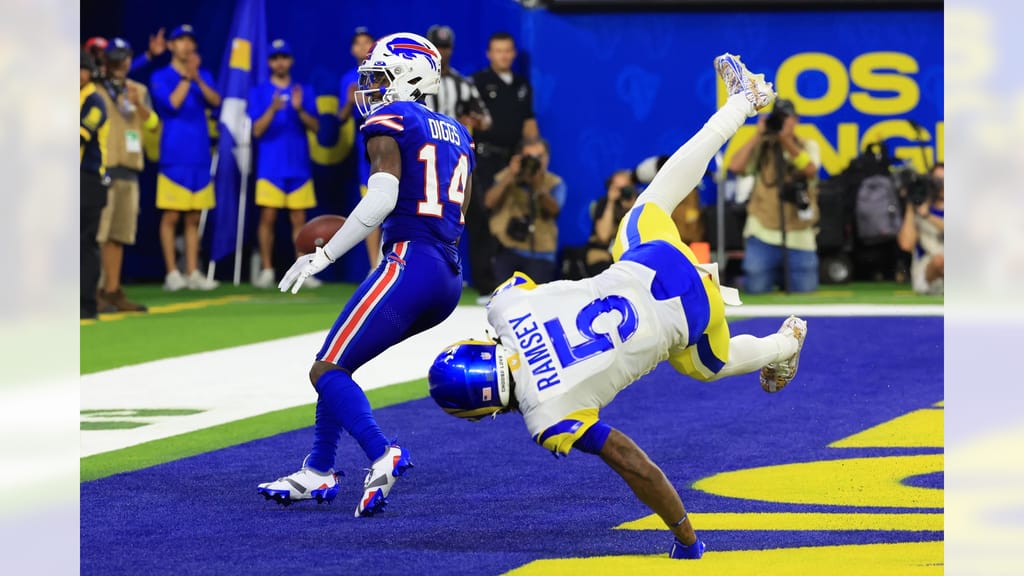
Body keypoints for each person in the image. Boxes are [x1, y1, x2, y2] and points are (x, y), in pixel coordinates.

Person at [427, 55, 808, 560]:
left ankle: (784, 345)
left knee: (707, 365)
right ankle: (741, 102)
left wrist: (686, 536)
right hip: (654, 258)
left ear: (483, 411)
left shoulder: (549, 419)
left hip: (695, 314)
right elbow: (520, 289)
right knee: (651, 204)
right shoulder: (506, 308)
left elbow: (631, 462)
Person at [258, 33, 476, 517]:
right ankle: (318, 469)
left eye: (379, 76)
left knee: (325, 370)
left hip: (410, 262)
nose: (370, 89)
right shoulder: (459, 132)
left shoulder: (392, 119)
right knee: (338, 363)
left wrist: (326, 255)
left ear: (409, 76)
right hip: (446, 275)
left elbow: (380, 198)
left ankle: (382, 452)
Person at [468, 32, 540, 297]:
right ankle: (484, 283)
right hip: (484, 158)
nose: (504, 55)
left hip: (512, 159)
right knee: (482, 215)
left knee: (509, 215)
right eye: (498, 51)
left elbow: (528, 122)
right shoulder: (477, 83)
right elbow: (468, 119)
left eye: (508, 50)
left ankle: (506, 279)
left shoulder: (522, 85)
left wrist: (535, 147)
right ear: (489, 54)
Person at [150, 24, 221, 291]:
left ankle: (192, 271)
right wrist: (187, 78)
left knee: (194, 218)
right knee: (171, 217)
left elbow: (216, 101)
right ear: (171, 46)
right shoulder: (161, 76)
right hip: (174, 156)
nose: (187, 45)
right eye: (180, 40)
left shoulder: (204, 75)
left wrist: (198, 78)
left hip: (200, 156)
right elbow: (172, 103)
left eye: (190, 41)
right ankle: (172, 273)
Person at [728, 98, 821, 294]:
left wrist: (785, 140)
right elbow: (735, 167)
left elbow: (810, 169)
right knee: (756, 290)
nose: (783, 122)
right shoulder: (763, 148)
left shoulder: (807, 146)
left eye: (787, 117)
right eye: (779, 118)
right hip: (763, 231)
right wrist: (757, 136)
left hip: (799, 233)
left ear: (796, 119)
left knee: (805, 293)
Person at [93, 38, 158, 314]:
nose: (122, 64)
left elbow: (153, 124)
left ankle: (113, 290)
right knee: (98, 234)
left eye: (126, 58)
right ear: (107, 60)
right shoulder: (95, 89)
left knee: (119, 235)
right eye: (117, 58)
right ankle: (93, 291)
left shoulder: (137, 90)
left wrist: (138, 104)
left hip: (130, 170)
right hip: (102, 169)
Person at [250, 39, 322, 289]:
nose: (279, 62)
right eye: (275, 58)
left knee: (299, 221)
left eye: (283, 57)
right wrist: (272, 109)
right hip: (270, 168)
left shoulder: (304, 90)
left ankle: (303, 271)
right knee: (267, 218)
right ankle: (267, 269)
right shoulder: (259, 91)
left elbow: (316, 127)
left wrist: (300, 110)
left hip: (299, 167)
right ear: (269, 63)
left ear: (290, 61)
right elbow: (257, 130)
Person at [486, 138, 566, 283]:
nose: (534, 161)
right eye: (529, 157)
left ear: (547, 158)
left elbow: (554, 211)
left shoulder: (555, 182)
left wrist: (538, 186)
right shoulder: (507, 176)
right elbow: (489, 202)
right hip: (508, 249)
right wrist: (510, 175)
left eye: (539, 157)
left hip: (541, 254)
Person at [338, 27, 382, 267]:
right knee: (371, 206)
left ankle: (393, 263)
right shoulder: (348, 78)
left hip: (389, 138)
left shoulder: (384, 73)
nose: (364, 47)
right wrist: (349, 100)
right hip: (365, 144)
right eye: (359, 43)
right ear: (352, 49)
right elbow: (342, 117)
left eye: (368, 42)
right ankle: (374, 267)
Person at [81, 51, 109, 320]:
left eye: (82, 69)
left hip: (88, 179)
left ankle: (87, 304)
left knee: (85, 241)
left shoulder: (95, 100)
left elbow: (81, 134)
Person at [422, 24, 492, 132]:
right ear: (427, 49)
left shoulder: (463, 84)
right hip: (422, 137)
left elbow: (486, 119)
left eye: (445, 47)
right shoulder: (416, 80)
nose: (441, 52)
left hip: (453, 139)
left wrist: (475, 121)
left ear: (451, 49)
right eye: (437, 47)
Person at [898, 163, 944, 294]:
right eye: (937, 180)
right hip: (927, 274)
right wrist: (910, 205)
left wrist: (928, 216)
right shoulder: (920, 208)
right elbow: (906, 245)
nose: (941, 184)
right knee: (940, 261)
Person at [585, 169, 639, 276]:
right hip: (603, 259)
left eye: (626, 188)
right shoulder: (604, 203)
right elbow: (603, 235)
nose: (622, 192)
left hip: (628, 258)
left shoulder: (638, 203)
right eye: (617, 188)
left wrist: (632, 208)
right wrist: (610, 202)